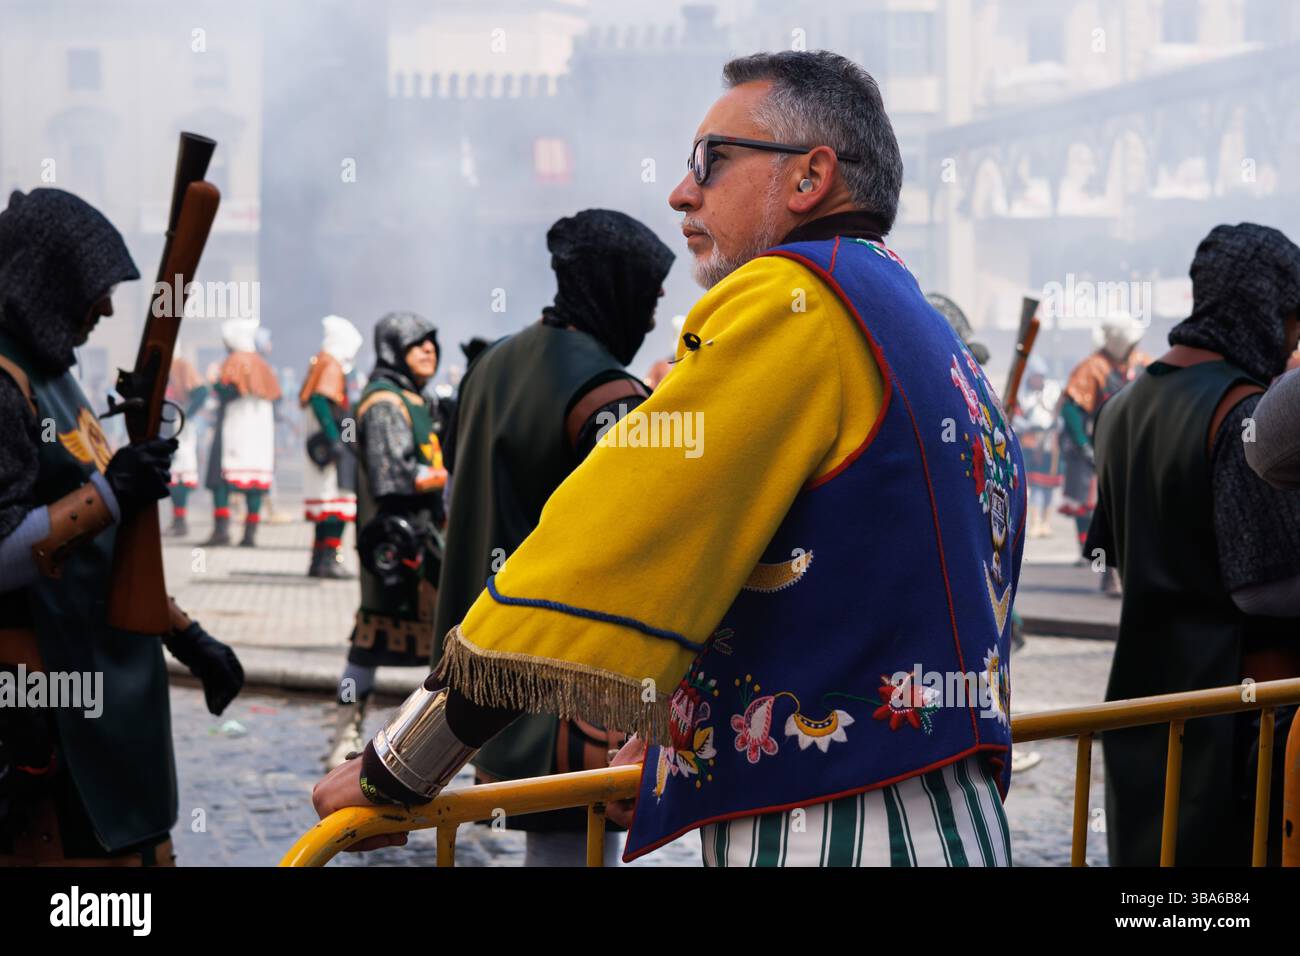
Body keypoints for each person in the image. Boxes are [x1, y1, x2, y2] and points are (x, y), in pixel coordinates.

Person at [314, 50, 1024, 867]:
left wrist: (403, 762)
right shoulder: (913, 317)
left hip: (832, 833)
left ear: (809, 177)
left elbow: (605, 538)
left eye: (711, 161)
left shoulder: (791, 301)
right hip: (948, 819)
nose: (681, 190)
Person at [0, 188, 243, 865]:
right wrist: (110, 493)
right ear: (46, 282)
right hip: (40, 703)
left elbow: (103, 555)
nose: (106, 308)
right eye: (91, 290)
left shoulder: (50, 375)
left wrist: (188, 636)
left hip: (99, 685)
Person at [433, 209, 673, 866]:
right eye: (649, 300)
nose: (653, 319)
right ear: (615, 287)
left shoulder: (491, 364)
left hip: (480, 660)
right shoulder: (612, 394)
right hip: (567, 679)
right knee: (573, 845)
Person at [1086, 222, 1300, 866]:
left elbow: (1115, 554)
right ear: (1264, 309)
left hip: (1142, 703)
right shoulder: (1242, 414)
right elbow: (1263, 585)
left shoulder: (1121, 407)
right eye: (1292, 319)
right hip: (1231, 715)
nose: (1293, 337)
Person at [324, 313, 447, 768]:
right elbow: (392, 476)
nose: (429, 350)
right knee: (370, 640)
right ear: (395, 349)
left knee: (440, 643)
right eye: (418, 344)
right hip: (395, 546)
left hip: (425, 538)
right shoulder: (383, 403)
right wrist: (447, 476)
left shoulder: (413, 398)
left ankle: (426, 745)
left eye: (432, 342)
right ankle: (345, 733)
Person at [1059, 312, 1147, 592]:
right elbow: (1070, 407)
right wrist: (1085, 446)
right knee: (1110, 511)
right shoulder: (1092, 367)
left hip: (1139, 447)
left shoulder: (1145, 363)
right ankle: (1110, 572)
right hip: (1106, 448)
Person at [204, 318, 281, 547]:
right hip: (260, 431)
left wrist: (213, 382)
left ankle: (221, 532)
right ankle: (250, 535)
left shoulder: (234, 360)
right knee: (255, 483)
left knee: (220, 479)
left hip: (234, 428)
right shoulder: (263, 364)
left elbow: (228, 392)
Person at [300, 314, 364, 578]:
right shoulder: (330, 363)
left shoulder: (322, 361)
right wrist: (336, 439)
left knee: (330, 503)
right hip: (332, 441)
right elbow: (319, 399)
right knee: (337, 501)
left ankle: (319, 560)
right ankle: (329, 560)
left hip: (333, 437)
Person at [1014, 359, 1063, 539]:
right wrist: (1027, 425)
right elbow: (1015, 416)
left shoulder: (1053, 391)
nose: (1038, 380)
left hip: (1050, 441)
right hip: (1030, 439)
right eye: (1036, 376)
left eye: (1041, 376)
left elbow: (1061, 415)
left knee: (1049, 486)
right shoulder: (1022, 394)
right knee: (1034, 484)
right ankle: (1035, 523)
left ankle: (1046, 523)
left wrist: (1057, 424)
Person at [164, 351, 209, 537]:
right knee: (170, 476)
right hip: (165, 424)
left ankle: (180, 522)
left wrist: (187, 415)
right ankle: (177, 521)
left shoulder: (181, 364)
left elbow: (201, 392)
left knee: (178, 475)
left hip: (178, 425)